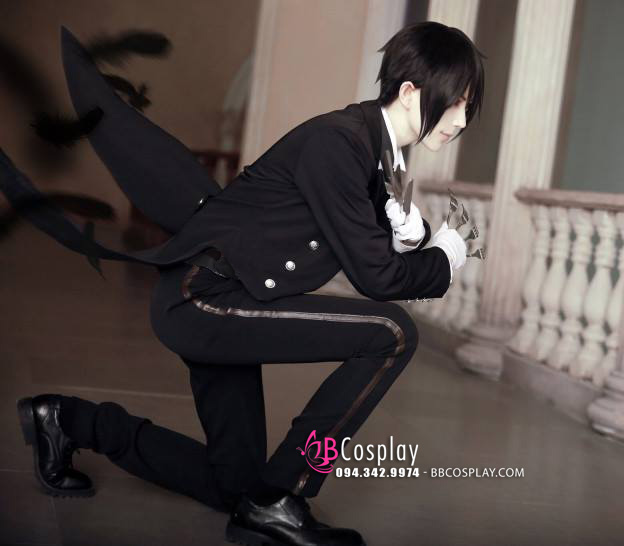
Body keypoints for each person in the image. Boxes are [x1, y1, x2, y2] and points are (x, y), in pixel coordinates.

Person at [9, 20, 484, 546]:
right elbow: (377, 278)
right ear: (410, 91)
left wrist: (410, 238)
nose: (462, 120)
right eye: (456, 102)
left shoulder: (369, 155)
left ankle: (67, 421)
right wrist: (445, 258)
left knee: (234, 486)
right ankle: (283, 497)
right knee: (392, 333)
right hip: (203, 297)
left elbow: (372, 254)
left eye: (469, 107)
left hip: (226, 296)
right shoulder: (341, 142)